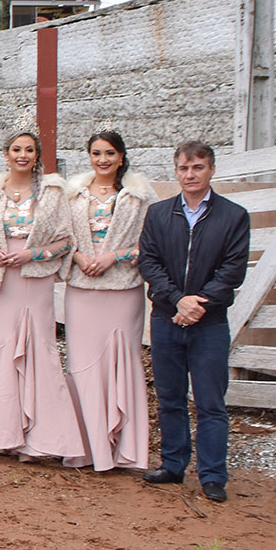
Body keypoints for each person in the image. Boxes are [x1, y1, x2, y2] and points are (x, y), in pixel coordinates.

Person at [139, 140, 250, 503]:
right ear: (176, 171)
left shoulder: (233, 216)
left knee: (210, 402)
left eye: (198, 167)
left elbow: (232, 270)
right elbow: (149, 263)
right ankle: (173, 464)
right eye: (184, 168)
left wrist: (199, 303)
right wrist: (177, 299)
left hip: (209, 323)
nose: (190, 175)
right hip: (167, 318)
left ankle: (213, 474)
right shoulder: (158, 214)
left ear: (211, 170)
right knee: (170, 397)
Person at [0, 128, 84, 460]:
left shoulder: (53, 192)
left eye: (28, 150)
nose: (22, 155)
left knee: (40, 351)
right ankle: (6, 436)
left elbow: (67, 241)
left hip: (35, 279)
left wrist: (33, 254)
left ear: (37, 155)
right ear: (6, 154)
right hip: (0, 284)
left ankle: (44, 440)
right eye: (15, 149)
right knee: (1, 353)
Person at [64, 130, 157, 472]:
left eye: (110, 153)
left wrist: (114, 256)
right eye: (97, 153)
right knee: (83, 366)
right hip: (82, 289)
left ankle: (125, 449)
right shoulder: (72, 195)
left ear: (121, 157)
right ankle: (86, 447)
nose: (103, 159)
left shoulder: (140, 196)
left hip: (122, 289)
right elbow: (59, 237)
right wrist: (77, 257)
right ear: (88, 155)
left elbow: (152, 242)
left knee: (122, 364)